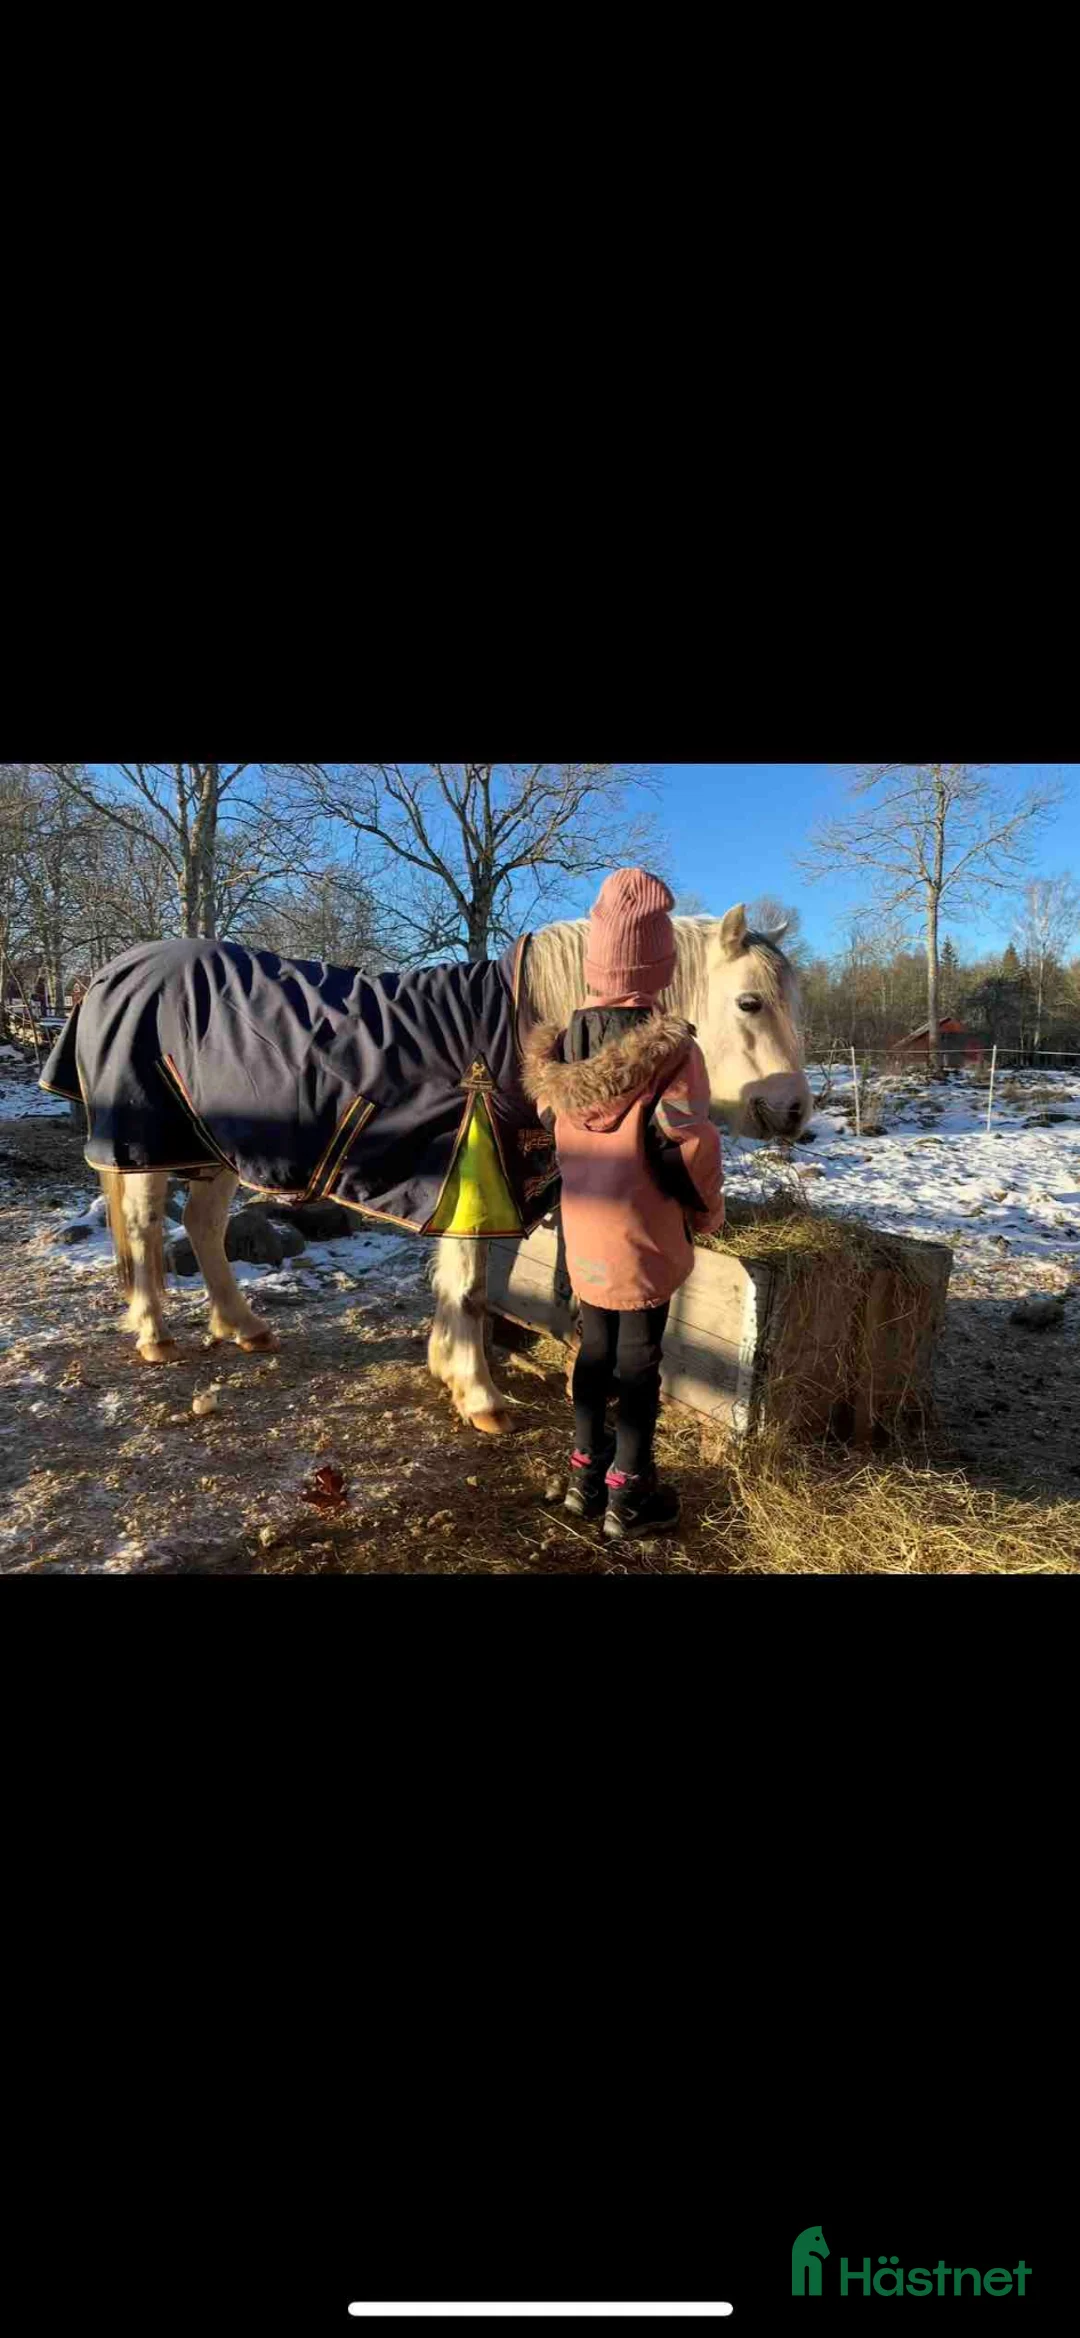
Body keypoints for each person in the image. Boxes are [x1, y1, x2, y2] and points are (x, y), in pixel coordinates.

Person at [523, 869, 725, 1540]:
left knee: (594, 1350)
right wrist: (707, 1211)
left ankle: (585, 1476)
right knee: (640, 1362)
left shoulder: (561, 1052)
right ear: (664, 963)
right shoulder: (673, 1051)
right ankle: (631, 1492)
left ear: (594, 960)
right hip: (644, 1233)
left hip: (585, 1232)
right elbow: (684, 1144)